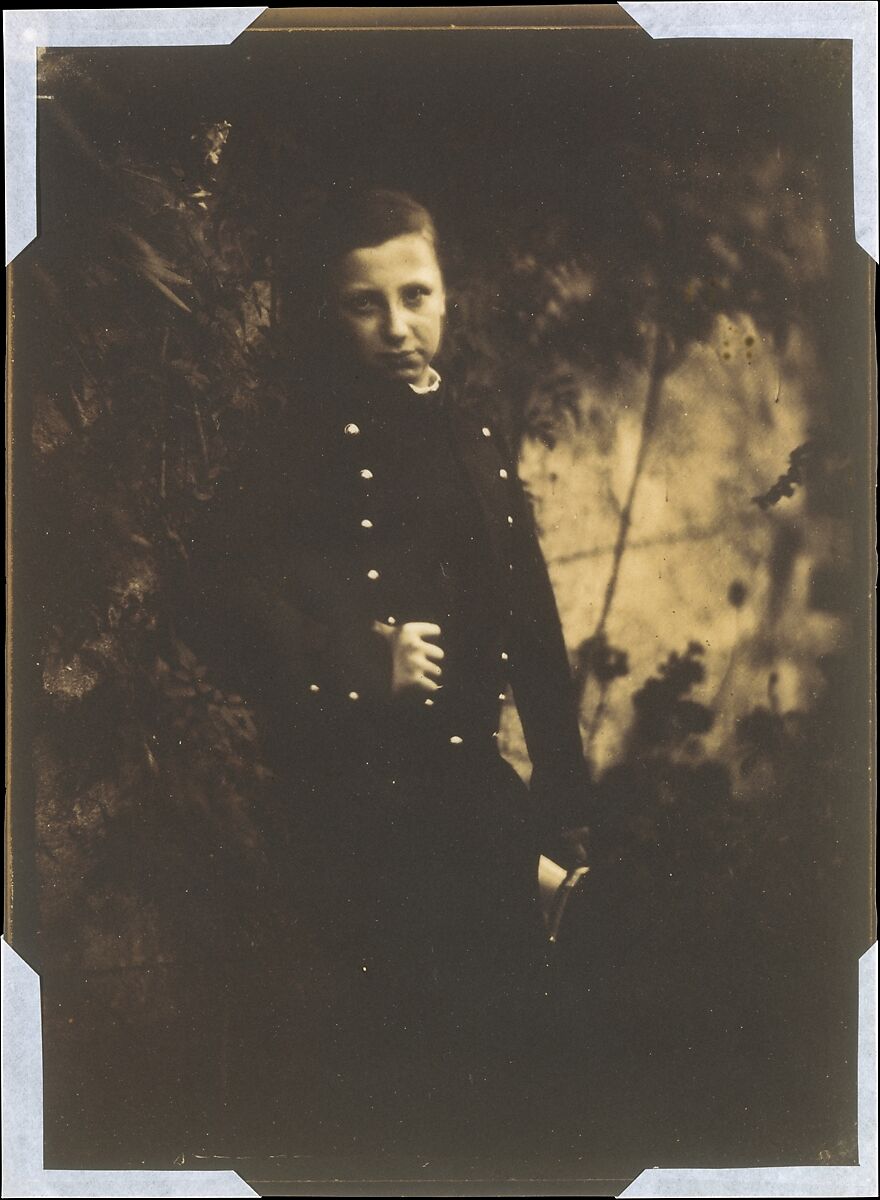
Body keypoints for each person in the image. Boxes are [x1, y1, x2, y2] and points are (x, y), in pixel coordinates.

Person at [187, 188, 592, 1161]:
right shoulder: (295, 449)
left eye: (415, 296)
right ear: (328, 314)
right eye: (364, 303)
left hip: (480, 812)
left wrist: (570, 812)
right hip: (355, 817)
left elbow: (532, 631)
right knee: (397, 1099)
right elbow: (205, 600)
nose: (397, 326)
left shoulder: (476, 437)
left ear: (447, 297)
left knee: (509, 1097)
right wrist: (352, 661)